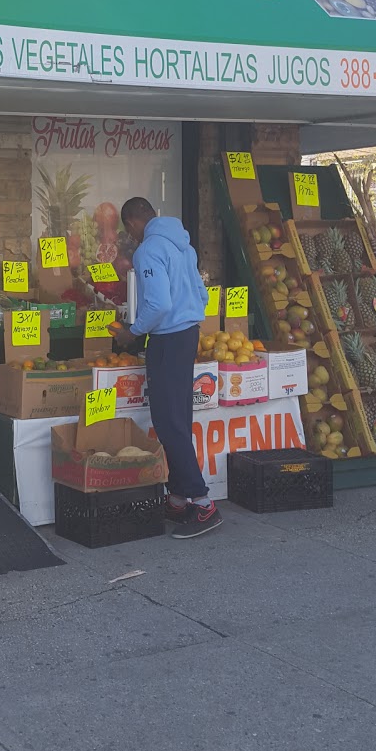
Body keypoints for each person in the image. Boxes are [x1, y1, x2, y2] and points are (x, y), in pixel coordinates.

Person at [117, 197, 222, 536]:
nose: (131, 237)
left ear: (133, 223)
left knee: (168, 422)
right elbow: (202, 295)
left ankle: (203, 504)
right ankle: (177, 498)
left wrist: (133, 332)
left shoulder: (148, 251)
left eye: (129, 231)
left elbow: (158, 303)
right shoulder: (183, 245)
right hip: (188, 334)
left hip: (167, 340)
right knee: (178, 417)